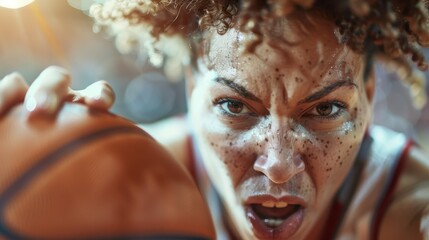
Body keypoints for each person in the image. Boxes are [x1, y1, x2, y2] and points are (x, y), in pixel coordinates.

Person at [0, 0, 429, 239]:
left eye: (325, 110)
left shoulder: (410, 213)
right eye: (236, 106)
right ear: (192, 89)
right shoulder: (128, 188)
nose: (278, 164)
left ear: (368, 99)